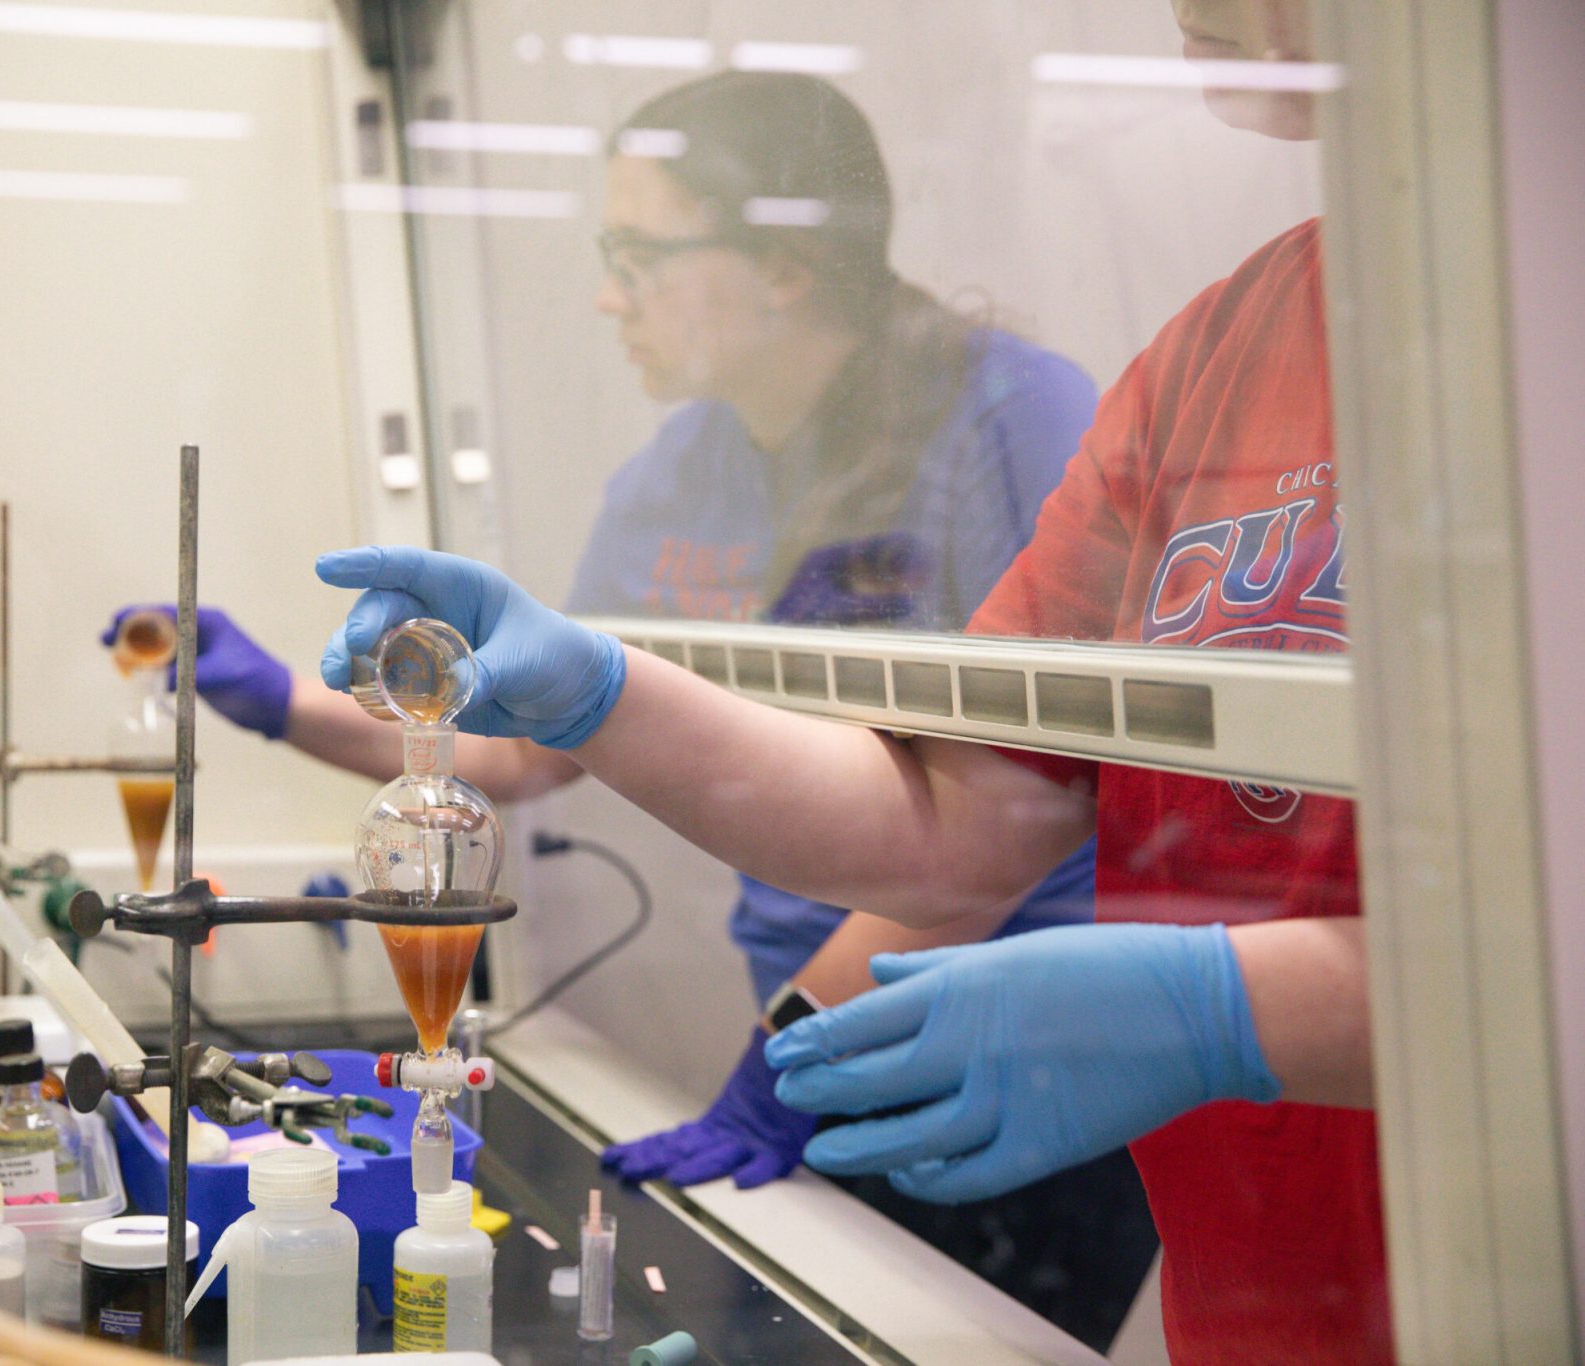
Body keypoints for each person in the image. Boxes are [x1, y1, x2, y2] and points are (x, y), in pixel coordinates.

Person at [311, 0, 1387, 1357]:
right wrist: (605, 692)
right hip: (1250, 1281)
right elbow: (960, 819)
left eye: (640, 253)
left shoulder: (1009, 411)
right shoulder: (1221, 347)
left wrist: (1222, 1008)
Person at [109, 71, 1145, 1344]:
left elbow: (1002, 824)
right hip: (821, 1029)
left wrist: (783, 1050)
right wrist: (278, 703)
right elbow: (526, 748)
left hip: (1015, 1040)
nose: (609, 296)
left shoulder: (1012, 423)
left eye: (636, 254)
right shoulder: (681, 475)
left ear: (782, 262)